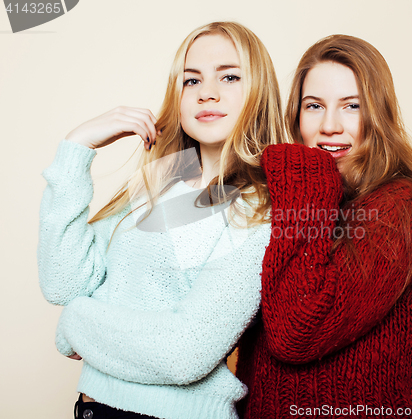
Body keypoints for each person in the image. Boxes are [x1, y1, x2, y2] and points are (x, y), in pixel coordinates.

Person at [37, 21, 284, 419]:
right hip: (92, 408)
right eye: (191, 81)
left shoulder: (258, 207)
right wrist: (76, 147)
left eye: (230, 76)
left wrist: (74, 323)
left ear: (258, 91)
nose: (207, 92)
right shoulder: (163, 180)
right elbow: (65, 282)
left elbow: (183, 352)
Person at [235, 35, 412, 418]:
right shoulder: (290, 200)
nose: (329, 126)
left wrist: (307, 181)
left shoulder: (402, 206)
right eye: (314, 106)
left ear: (378, 116)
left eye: (352, 106)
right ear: (296, 118)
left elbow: (294, 334)